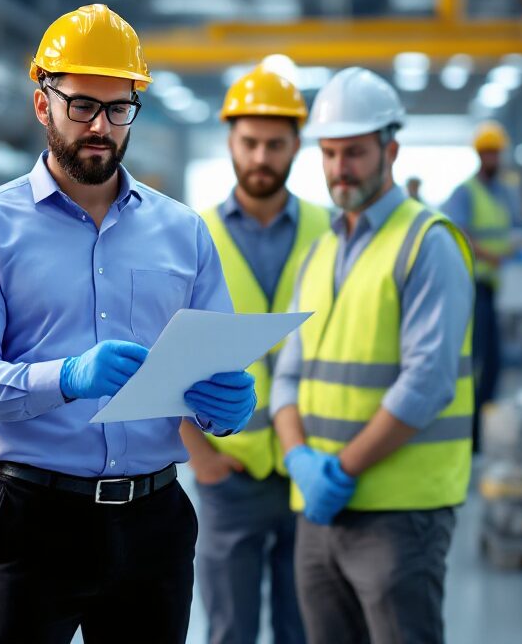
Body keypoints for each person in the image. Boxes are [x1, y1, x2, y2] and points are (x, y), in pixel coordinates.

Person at [0, 3, 258, 644]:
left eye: (118, 109)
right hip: (30, 518)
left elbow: (211, 361)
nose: (100, 127)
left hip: (153, 523)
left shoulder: (184, 232)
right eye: (82, 106)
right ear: (43, 104)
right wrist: (66, 377)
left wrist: (224, 408)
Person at [269, 67, 474, 644]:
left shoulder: (427, 243)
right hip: (318, 509)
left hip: (399, 515)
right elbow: (287, 375)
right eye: (329, 153)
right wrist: (299, 459)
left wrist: (342, 470)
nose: (340, 168)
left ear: (391, 150)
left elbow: (427, 382)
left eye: (354, 152)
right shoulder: (319, 253)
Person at [187, 62, 330, 644]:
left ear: (297, 145)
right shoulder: (193, 236)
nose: (261, 157)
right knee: (231, 630)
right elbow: (164, 359)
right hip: (230, 470)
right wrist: (200, 457)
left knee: (305, 629)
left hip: (310, 465)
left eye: (275, 144)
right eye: (249, 143)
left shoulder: (331, 231)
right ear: (230, 142)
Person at [442, 121, 522, 449]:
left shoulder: (505, 193)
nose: (493, 158)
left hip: (500, 288)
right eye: (487, 153)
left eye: (496, 153)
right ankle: (469, 434)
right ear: (478, 155)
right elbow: (460, 235)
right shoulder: (465, 193)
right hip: (473, 289)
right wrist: (494, 256)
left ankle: (483, 431)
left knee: (494, 364)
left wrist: (520, 249)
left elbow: (514, 230)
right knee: (473, 363)